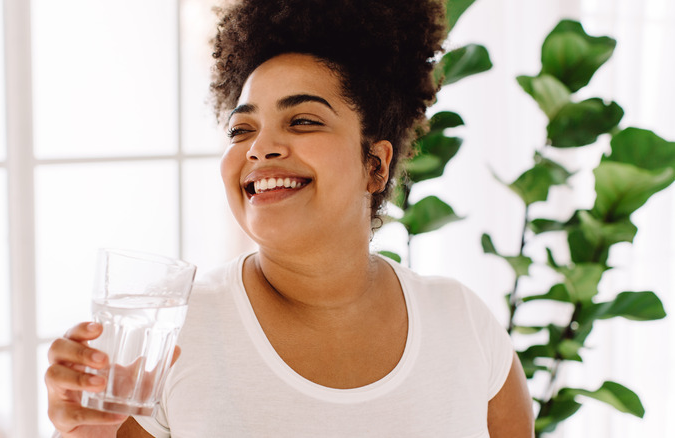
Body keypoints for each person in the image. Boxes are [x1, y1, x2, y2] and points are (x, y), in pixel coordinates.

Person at [45, 0, 535, 436]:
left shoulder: (464, 325)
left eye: (303, 120)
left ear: (376, 165)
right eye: (242, 129)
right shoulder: (171, 337)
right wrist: (86, 431)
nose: (260, 148)